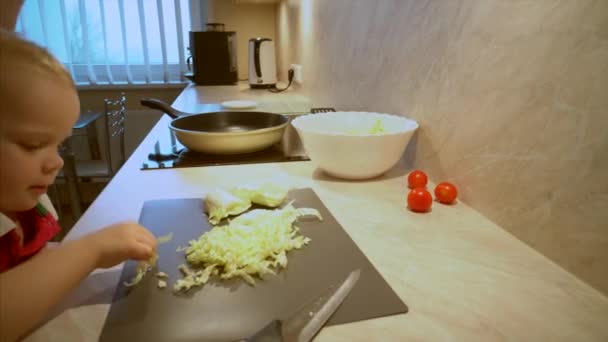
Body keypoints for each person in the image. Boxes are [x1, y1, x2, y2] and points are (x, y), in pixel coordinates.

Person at [0, 30, 158, 342]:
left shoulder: (27, 207)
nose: (56, 162)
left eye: (58, 145)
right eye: (33, 145)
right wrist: (91, 251)